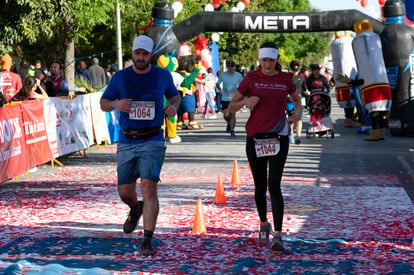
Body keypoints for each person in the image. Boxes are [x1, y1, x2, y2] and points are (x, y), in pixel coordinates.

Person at [100, 35, 180, 256]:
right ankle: (136, 209)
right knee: (125, 191)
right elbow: (103, 103)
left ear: (150, 54)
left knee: (148, 185)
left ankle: (147, 239)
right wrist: (116, 103)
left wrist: (173, 106)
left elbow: (175, 97)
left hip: (153, 139)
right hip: (127, 140)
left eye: (145, 54)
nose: (141, 57)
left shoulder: (162, 75)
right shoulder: (120, 77)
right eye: (138, 53)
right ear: (132, 54)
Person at [228, 41, 301, 252]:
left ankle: (278, 234)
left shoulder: (285, 79)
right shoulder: (251, 78)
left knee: (274, 185)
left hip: (279, 136)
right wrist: (245, 102)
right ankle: (263, 223)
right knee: (259, 186)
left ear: (277, 60)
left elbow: (297, 101)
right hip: (256, 138)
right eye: (264, 60)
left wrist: (297, 113)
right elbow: (231, 107)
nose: (268, 65)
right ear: (259, 60)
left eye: (271, 60)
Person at [216, 61, 243, 137]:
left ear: (234, 67)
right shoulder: (223, 75)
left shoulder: (238, 75)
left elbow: (243, 84)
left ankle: (232, 131)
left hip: (234, 97)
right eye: (229, 67)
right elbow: (217, 83)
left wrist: (240, 92)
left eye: (231, 67)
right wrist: (220, 89)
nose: (230, 68)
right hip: (225, 97)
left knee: (233, 114)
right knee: (226, 115)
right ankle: (228, 123)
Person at [288, 60, 307, 144]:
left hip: (299, 101)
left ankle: (298, 136)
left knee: (299, 119)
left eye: (297, 71)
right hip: (289, 101)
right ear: (290, 69)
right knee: (291, 119)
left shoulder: (301, 78)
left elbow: (305, 88)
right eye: (294, 71)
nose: (295, 73)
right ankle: (291, 133)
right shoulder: (287, 78)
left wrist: (307, 91)